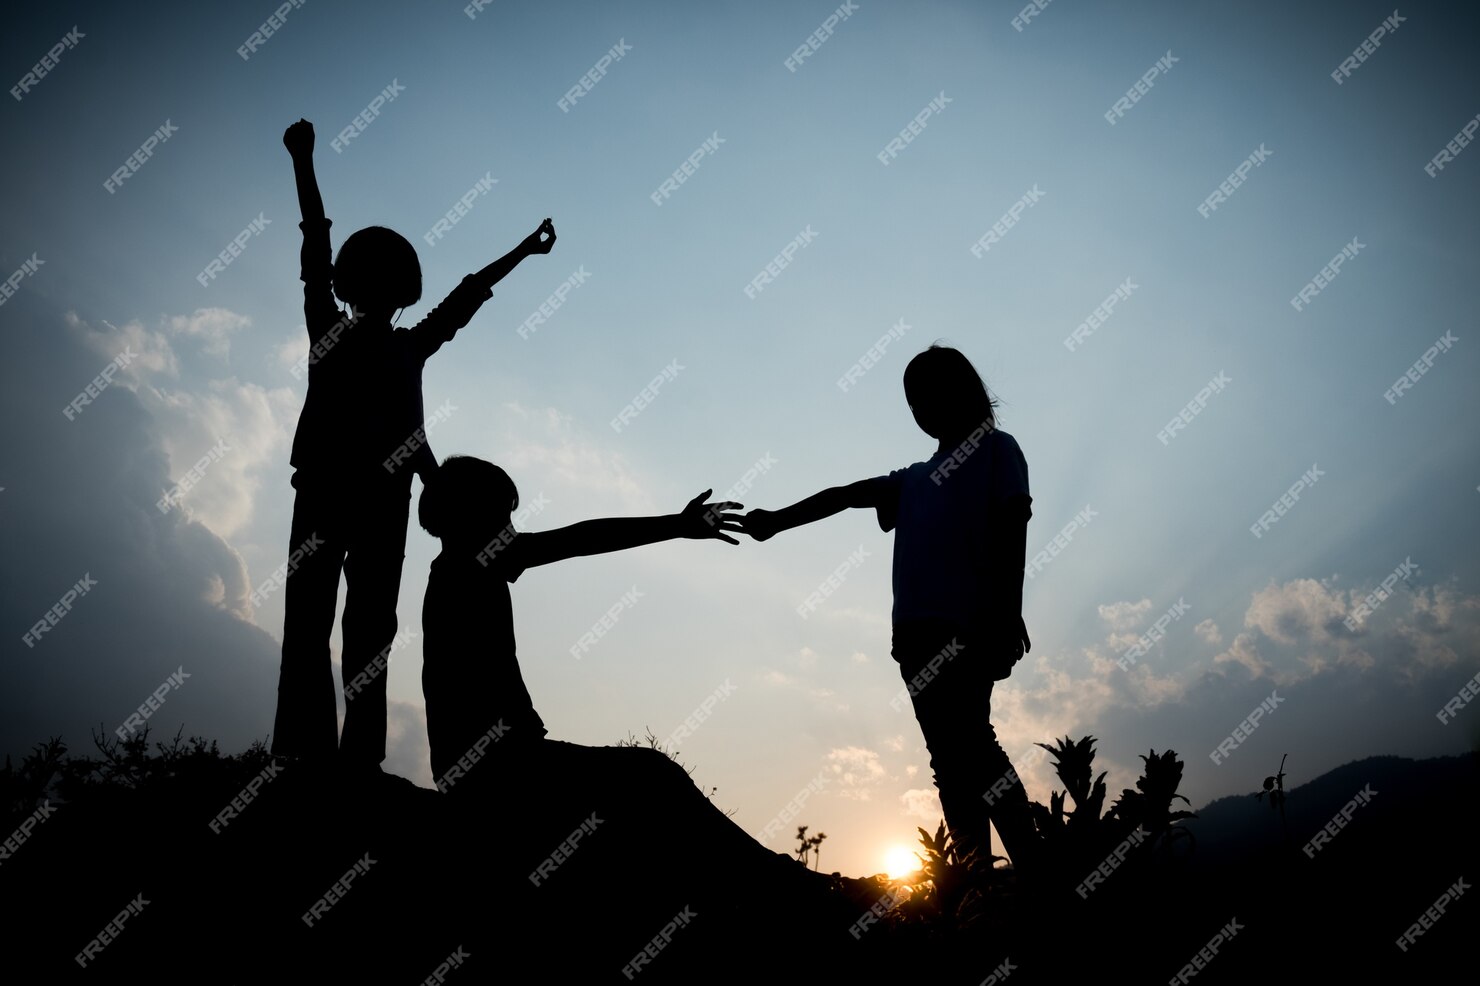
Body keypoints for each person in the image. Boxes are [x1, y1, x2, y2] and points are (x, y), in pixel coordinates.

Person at [270, 117, 556, 767]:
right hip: (325, 489)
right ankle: (300, 760)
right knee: (311, 628)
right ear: (351, 285)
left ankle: (355, 766)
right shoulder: (329, 332)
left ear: (397, 292)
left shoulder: (405, 347)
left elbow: (465, 298)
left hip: (381, 500)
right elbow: (316, 242)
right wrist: (302, 160)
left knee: (367, 635)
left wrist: (523, 251)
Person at [741, 344, 1038, 874]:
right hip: (915, 640)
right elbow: (845, 494)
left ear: (962, 391)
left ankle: (1039, 871)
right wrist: (777, 521)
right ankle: (976, 886)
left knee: (973, 747)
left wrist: (1007, 614)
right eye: (912, 400)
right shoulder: (914, 479)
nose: (920, 407)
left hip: (967, 629)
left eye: (929, 393)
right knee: (951, 762)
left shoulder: (998, 450)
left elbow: (1013, 529)